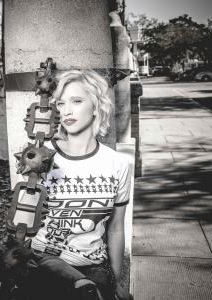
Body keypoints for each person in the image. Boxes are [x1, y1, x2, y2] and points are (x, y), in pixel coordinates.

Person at [29, 69, 132, 300]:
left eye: (76, 101)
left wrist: (116, 280)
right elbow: (23, 224)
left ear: (96, 106)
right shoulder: (42, 159)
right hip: (45, 263)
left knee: (93, 290)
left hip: (93, 266)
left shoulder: (117, 164)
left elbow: (115, 228)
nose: (67, 110)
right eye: (61, 103)